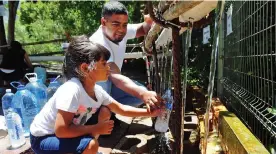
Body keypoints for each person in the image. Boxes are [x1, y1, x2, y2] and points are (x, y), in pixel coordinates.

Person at [29, 35, 161, 154]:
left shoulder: (97, 91)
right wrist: (96, 128)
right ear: (86, 68)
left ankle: (85, 149)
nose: (108, 67)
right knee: (91, 145)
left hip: (61, 136)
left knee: (105, 111)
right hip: (43, 139)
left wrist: (151, 113)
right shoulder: (72, 90)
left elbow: (121, 109)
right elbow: (61, 131)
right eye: (104, 64)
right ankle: (86, 149)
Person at [89, 1, 157, 112]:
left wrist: (151, 21)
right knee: (104, 83)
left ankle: (109, 111)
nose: (121, 29)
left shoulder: (120, 31)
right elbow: (115, 76)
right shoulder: (98, 42)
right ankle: (97, 116)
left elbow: (143, 28)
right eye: (115, 24)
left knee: (139, 94)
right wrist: (143, 94)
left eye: (124, 24)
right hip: (94, 87)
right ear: (103, 22)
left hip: (111, 81)